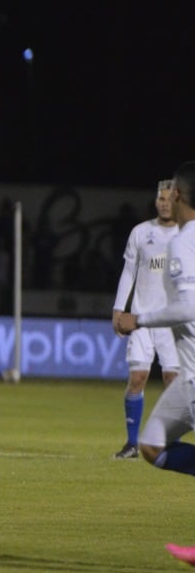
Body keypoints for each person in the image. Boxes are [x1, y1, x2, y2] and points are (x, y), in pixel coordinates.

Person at [112, 162, 195, 567]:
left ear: (178, 196)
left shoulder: (182, 243)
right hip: (188, 375)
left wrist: (138, 319)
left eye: (172, 192)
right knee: (152, 445)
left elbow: (189, 305)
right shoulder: (158, 237)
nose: (168, 199)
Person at [109, 180, 179, 458]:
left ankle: (169, 440)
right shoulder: (141, 232)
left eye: (168, 198)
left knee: (174, 381)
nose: (163, 202)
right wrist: (118, 309)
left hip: (175, 322)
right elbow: (129, 272)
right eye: (160, 198)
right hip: (140, 319)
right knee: (137, 377)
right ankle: (131, 444)